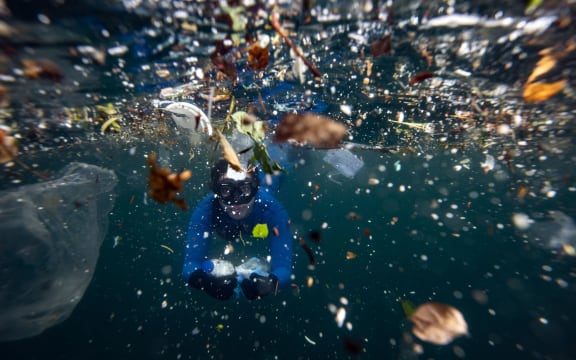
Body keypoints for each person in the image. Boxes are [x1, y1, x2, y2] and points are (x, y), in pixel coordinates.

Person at [182, 159, 293, 300]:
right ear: (216, 191)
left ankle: (291, 155)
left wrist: (270, 284)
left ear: (256, 188)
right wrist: (204, 281)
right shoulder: (206, 210)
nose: (236, 201)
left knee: (278, 169)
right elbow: (190, 264)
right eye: (226, 189)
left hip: (269, 181)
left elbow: (284, 268)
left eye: (245, 188)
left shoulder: (272, 210)